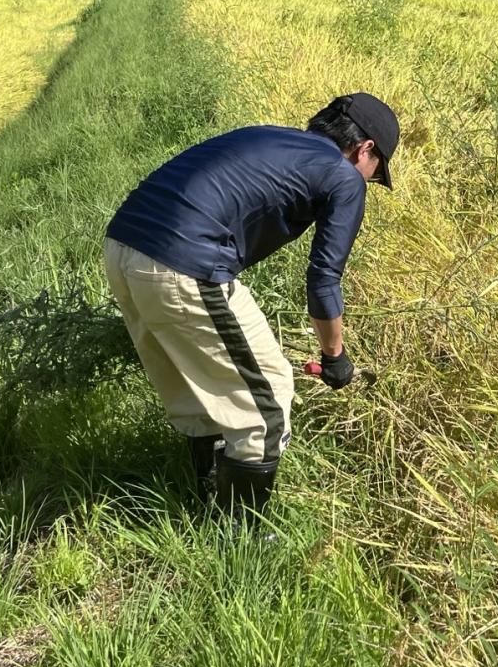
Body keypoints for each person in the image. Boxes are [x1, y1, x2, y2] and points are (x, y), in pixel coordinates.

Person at [102, 92, 400, 516]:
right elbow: (323, 279)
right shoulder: (344, 176)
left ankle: (206, 507)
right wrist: (334, 357)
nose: (369, 179)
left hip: (122, 247)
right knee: (268, 404)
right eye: (376, 170)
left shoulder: (267, 135)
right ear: (364, 149)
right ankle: (239, 537)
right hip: (186, 262)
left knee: (201, 393)